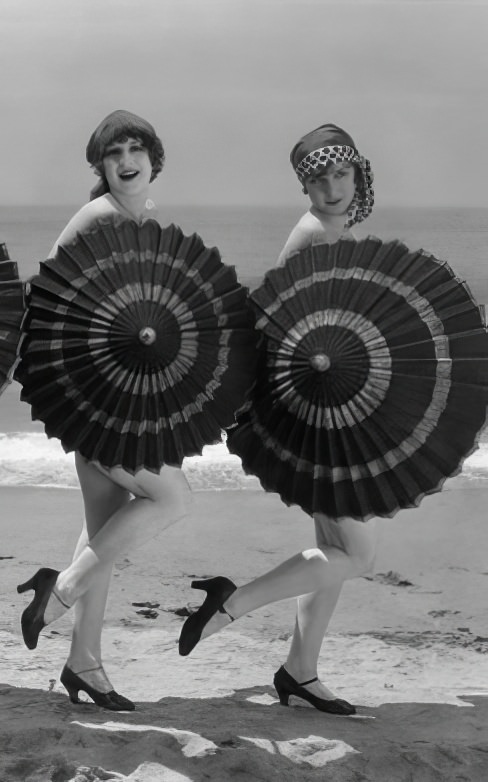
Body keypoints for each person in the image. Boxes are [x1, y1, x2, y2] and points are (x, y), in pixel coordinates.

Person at [177, 123, 376, 716]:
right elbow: (283, 325)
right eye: (318, 179)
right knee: (359, 555)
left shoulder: (333, 229)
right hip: (318, 419)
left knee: (331, 550)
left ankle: (299, 672)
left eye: (341, 174)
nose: (332, 188)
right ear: (305, 187)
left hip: (325, 411)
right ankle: (232, 602)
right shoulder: (318, 233)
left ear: (358, 174)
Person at [16, 110, 192, 712]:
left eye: (135, 147)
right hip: (98, 404)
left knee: (104, 536)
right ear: (100, 166)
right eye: (112, 153)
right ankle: (58, 591)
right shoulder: (97, 217)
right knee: (174, 497)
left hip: (122, 401)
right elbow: (48, 303)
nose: (125, 160)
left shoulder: (143, 220)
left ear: (154, 157)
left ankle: (84, 665)